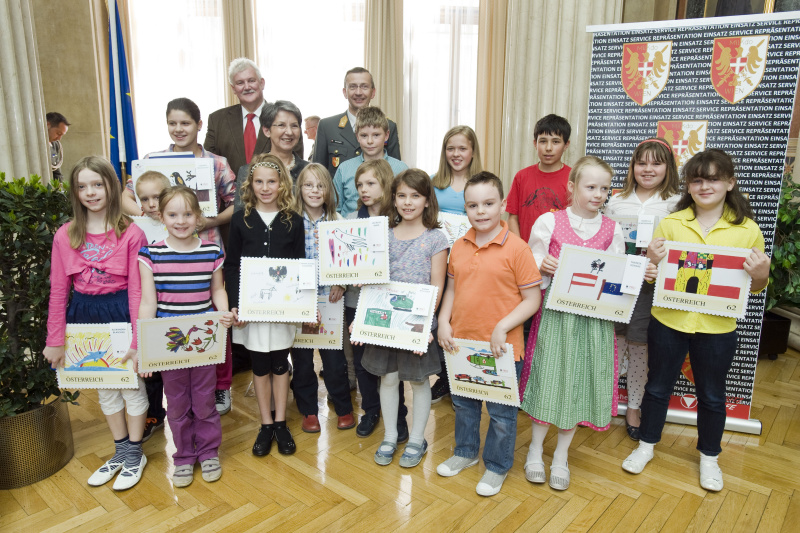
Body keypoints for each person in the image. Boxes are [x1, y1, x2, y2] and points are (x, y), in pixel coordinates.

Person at [622, 149, 770, 492]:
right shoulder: (672, 223)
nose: (705, 186)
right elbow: (652, 280)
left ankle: (709, 457)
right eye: (697, 179)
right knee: (657, 388)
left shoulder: (747, 230)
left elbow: (757, 287)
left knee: (712, 395)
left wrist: (761, 275)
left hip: (718, 328)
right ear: (687, 185)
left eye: (714, 179)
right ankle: (646, 446)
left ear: (730, 183)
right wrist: (651, 266)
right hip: (669, 321)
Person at [518, 156, 655, 491]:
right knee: (548, 377)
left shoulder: (611, 230)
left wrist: (640, 273)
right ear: (572, 187)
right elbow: (528, 267)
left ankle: (562, 455)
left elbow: (617, 278)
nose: (598, 194)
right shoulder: (548, 224)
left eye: (605, 188)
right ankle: (535, 449)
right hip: (555, 318)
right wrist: (543, 266)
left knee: (578, 382)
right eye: (591, 187)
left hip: (593, 322)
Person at [121, 97, 237, 416]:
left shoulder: (216, 163)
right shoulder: (151, 160)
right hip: (162, 256)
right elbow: (126, 196)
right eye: (172, 123)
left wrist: (208, 220)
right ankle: (174, 383)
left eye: (185, 123)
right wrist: (151, 215)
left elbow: (235, 202)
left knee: (213, 318)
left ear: (199, 125)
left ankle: (220, 387)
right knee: (166, 318)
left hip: (206, 253)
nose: (178, 129)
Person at [44, 156, 148, 491]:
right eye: (82, 186)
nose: (90, 192)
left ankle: (135, 452)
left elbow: (137, 291)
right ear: (75, 192)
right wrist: (55, 340)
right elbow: (59, 290)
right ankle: (119, 450)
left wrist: (138, 340)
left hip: (122, 313)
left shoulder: (131, 233)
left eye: (97, 184)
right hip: (85, 317)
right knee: (105, 386)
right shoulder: (65, 235)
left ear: (111, 187)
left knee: (131, 386)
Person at [436, 172, 542, 496]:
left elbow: (533, 299)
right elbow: (452, 289)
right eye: (473, 205)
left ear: (502, 204)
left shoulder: (518, 249)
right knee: (464, 407)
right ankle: (465, 453)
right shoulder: (459, 245)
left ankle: (496, 466)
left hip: (502, 349)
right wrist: (443, 321)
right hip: (462, 345)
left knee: (501, 415)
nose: (480, 211)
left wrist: (501, 327)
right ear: (465, 208)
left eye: (488, 203)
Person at [138, 186, 233, 487]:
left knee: (205, 400)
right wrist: (145, 349)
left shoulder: (211, 251)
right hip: (169, 345)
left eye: (188, 214)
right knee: (177, 402)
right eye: (173, 214)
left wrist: (225, 311)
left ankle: (208, 451)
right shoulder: (150, 253)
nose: (181, 221)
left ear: (198, 216)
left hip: (204, 341)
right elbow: (148, 303)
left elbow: (217, 289)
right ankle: (183, 455)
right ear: (161, 216)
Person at [358, 169, 448, 468]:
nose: (408, 202)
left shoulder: (436, 238)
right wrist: (362, 317)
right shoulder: (383, 234)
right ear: (393, 199)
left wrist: (426, 325)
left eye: (415, 196)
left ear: (426, 200)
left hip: (416, 326)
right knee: (388, 379)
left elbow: (437, 284)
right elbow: (373, 281)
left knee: (420, 382)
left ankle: (417, 439)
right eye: (402, 196)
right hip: (385, 323)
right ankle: (391, 434)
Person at [224, 154, 305, 457]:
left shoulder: (293, 221)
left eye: (272, 181)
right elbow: (232, 266)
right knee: (260, 366)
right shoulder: (241, 219)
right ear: (251, 184)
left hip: (282, 311)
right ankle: (266, 423)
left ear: (282, 183)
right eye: (259, 182)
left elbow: (299, 266)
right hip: (252, 311)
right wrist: (236, 304)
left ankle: (282, 422)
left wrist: (304, 305)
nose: (266, 187)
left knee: (280, 363)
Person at [604, 138, 680, 440]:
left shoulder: (676, 203)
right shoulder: (615, 200)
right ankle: (605, 402)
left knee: (640, 348)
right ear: (633, 166)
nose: (648, 169)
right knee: (612, 344)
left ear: (668, 168)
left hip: (651, 288)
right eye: (641, 162)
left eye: (656, 163)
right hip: (616, 283)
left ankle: (634, 407)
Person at [344, 159, 409, 439]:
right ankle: (370, 410)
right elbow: (343, 265)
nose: (363, 190)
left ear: (385, 184)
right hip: (356, 302)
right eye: (359, 185)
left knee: (393, 363)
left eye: (370, 183)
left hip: (388, 302)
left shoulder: (399, 223)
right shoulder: (349, 223)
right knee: (361, 362)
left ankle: (399, 416)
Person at [291, 163, 355, 433]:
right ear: (299, 189)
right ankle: (308, 410)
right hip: (298, 300)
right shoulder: (289, 220)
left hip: (329, 299)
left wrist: (342, 283)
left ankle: (343, 406)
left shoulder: (337, 221)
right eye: (308, 185)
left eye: (320, 185)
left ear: (329, 189)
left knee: (334, 359)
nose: (314, 191)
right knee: (303, 360)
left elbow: (349, 260)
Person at [204, 57, 303, 176]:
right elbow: (209, 164)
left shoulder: (285, 119)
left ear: (262, 83)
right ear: (233, 89)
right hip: (231, 193)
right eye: (240, 83)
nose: (247, 87)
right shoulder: (217, 120)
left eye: (251, 80)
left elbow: (295, 165)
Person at [132, 170, 171, 442]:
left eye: (157, 197)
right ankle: (154, 412)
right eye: (145, 199)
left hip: (175, 303)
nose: (152, 204)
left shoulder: (178, 222)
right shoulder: (136, 228)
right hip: (148, 303)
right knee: (151, 366)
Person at [313, 67, 401, 177]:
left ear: (373, 92)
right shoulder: (327, 126)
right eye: (353, 87)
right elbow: (317, 173)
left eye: (364, 87)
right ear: (345, 92)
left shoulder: (389, 126)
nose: (358, 92)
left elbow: (396, 172)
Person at [506, 114, 572, 244]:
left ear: (566, 145)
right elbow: (512, 217)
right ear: (535, 143)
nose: (548, 148)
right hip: (526, 253)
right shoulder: (522, 176)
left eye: (556, 141)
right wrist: (521, 250)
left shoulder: (574, 178)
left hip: (558, 254)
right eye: (543, 141)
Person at [333, 106, 407, 217]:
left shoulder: (401, 169)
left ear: (386, 135)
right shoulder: (344, 169)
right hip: (350, 228)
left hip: (391, 228)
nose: (370, 141)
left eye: (376, 135)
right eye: (364, 135)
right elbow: (334, 209)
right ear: (357, 136)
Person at [431, 126, 483, 215]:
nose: (456, 154)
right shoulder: (432, 181)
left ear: (473, 152)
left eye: (462, 149)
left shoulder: (484, 184)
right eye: (450, 149)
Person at [259, 100, 308, 185]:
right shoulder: (249, 171)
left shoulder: (310, 171)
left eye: (294, 126)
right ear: (267, 131)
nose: (289, 132)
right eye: (281, 125)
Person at [47, 112, 70, 182]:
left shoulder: (55, 145)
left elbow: (57, 172)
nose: (59, 138)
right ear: (47, 125)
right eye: (58, 133)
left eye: (62, 135)